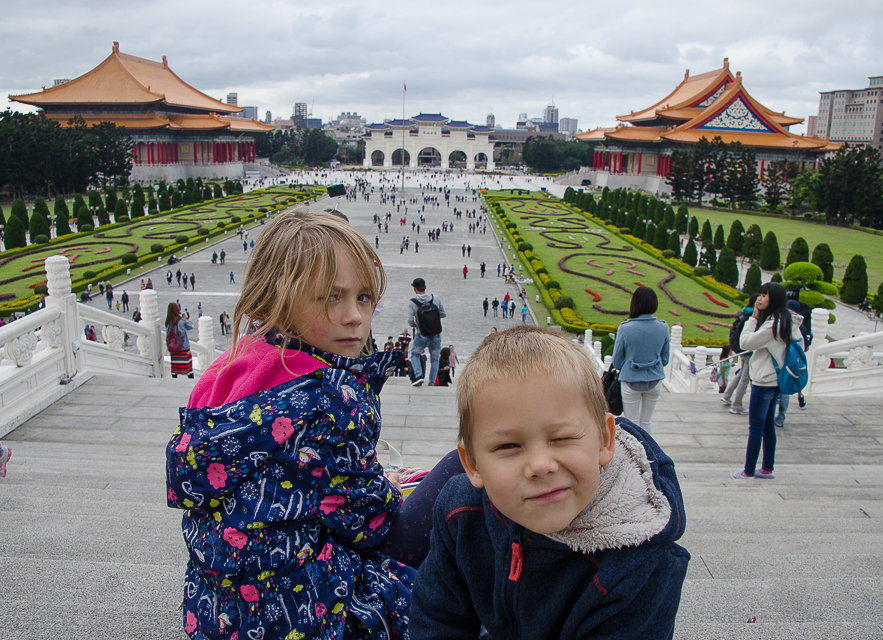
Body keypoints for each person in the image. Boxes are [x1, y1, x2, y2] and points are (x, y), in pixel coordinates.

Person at [166, 208, 463, 640]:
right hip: (310, 614)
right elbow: (370, 523)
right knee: (464, 467)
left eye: (363, 298)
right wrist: (389, 487)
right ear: (275, 298)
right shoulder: (330, 398)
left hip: (218, 615)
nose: (354, 317)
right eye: (330, 297)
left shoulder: (226, 369)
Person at [410, 326, 689, 639]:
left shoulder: (642, 564)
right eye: (508, 446)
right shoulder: (460, 511)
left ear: (604, 439)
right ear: (472, 463)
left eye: (563, 438)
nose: (541, 466)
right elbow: (436, 620)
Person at [731, 283, 804, 480]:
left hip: (764, 382)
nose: (759, 299)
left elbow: (744, 342)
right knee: (767, 426)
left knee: (756, 427)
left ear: (775, 299)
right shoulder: (787, 320)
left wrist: (753, 318)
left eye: (765, 295)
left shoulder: (773, 325)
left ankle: (747, 472)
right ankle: (767, 468)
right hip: (777, 380)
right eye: (760, 294)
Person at [612, 287, 670, 432]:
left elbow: (617, 361)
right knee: (646, 422)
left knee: (631, 423)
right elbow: (665, 358)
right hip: (654, 379)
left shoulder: (625, 328)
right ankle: (648, 453)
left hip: (630, 380)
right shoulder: (663, 327)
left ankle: (635, 453)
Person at [720, 294, 759, 415]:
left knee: (742, 373)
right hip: (748, 350)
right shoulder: (752, 317)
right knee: (745, 378)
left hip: (741, 348)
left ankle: (727, 395)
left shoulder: (744, 313)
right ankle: (737, 405)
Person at [407, 277, 447, 387]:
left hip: (422, 334)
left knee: (414, 354)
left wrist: (416, 323)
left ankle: (419, 376)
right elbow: (443, 313)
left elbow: (410, 320)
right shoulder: (435, 298)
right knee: (434, 359)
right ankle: (431, 383)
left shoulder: (412, 302)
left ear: (415, 289)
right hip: (436, 334)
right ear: (425, 287)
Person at [165, 302, 194, 379]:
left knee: (175, 368)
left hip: (173, 349)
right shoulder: (180, 321)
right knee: (188, 369)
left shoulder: (168, 322)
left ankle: (174, 379)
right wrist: (186, 319)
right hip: (183, 347)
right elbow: (190, 326)